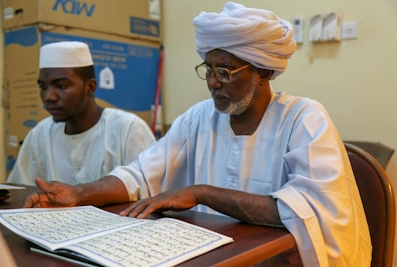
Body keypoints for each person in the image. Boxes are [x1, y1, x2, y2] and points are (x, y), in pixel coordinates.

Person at [24, 3, 371, 266]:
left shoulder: (304, 119)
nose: (213, 82)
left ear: (264, 71)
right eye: (208, 68)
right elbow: (141, 176)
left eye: (225, 70)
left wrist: (201, 192)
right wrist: (77, 194)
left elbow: (306, 210)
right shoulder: (199, 118)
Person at [7, 41, 155, 185]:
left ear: (90, 87)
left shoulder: (128, 129)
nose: (49, 97)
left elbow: (149, 191)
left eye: (61, 86)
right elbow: (20, 190)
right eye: (43, 87)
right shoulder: (41, 134)